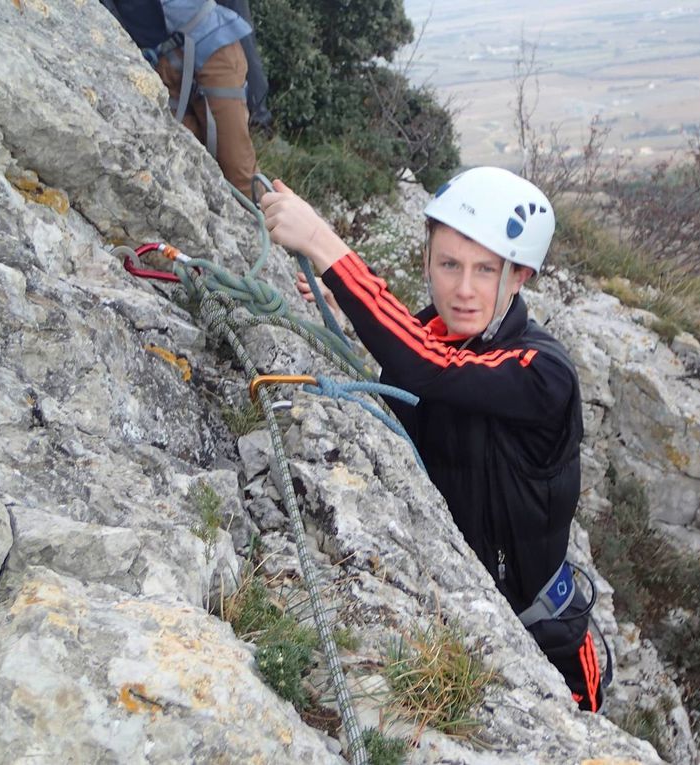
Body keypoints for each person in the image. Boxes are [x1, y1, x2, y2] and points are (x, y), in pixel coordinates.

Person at [260, 167, 605, 712]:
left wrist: (324, 245)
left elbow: (428, 369)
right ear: (427, 263)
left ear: (518, 278)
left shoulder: (543, 372)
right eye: (448, 265)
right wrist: (346, 294)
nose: (463, 289)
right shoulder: (430, 333)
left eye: (484, 270)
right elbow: (415, 348)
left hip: (540, 637)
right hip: (449, 611)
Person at [101, 0, 259, 195]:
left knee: (238, 174)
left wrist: (258, 92)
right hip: (164, 65)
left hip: (212, 48)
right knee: (189, 169)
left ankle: (264, 219)